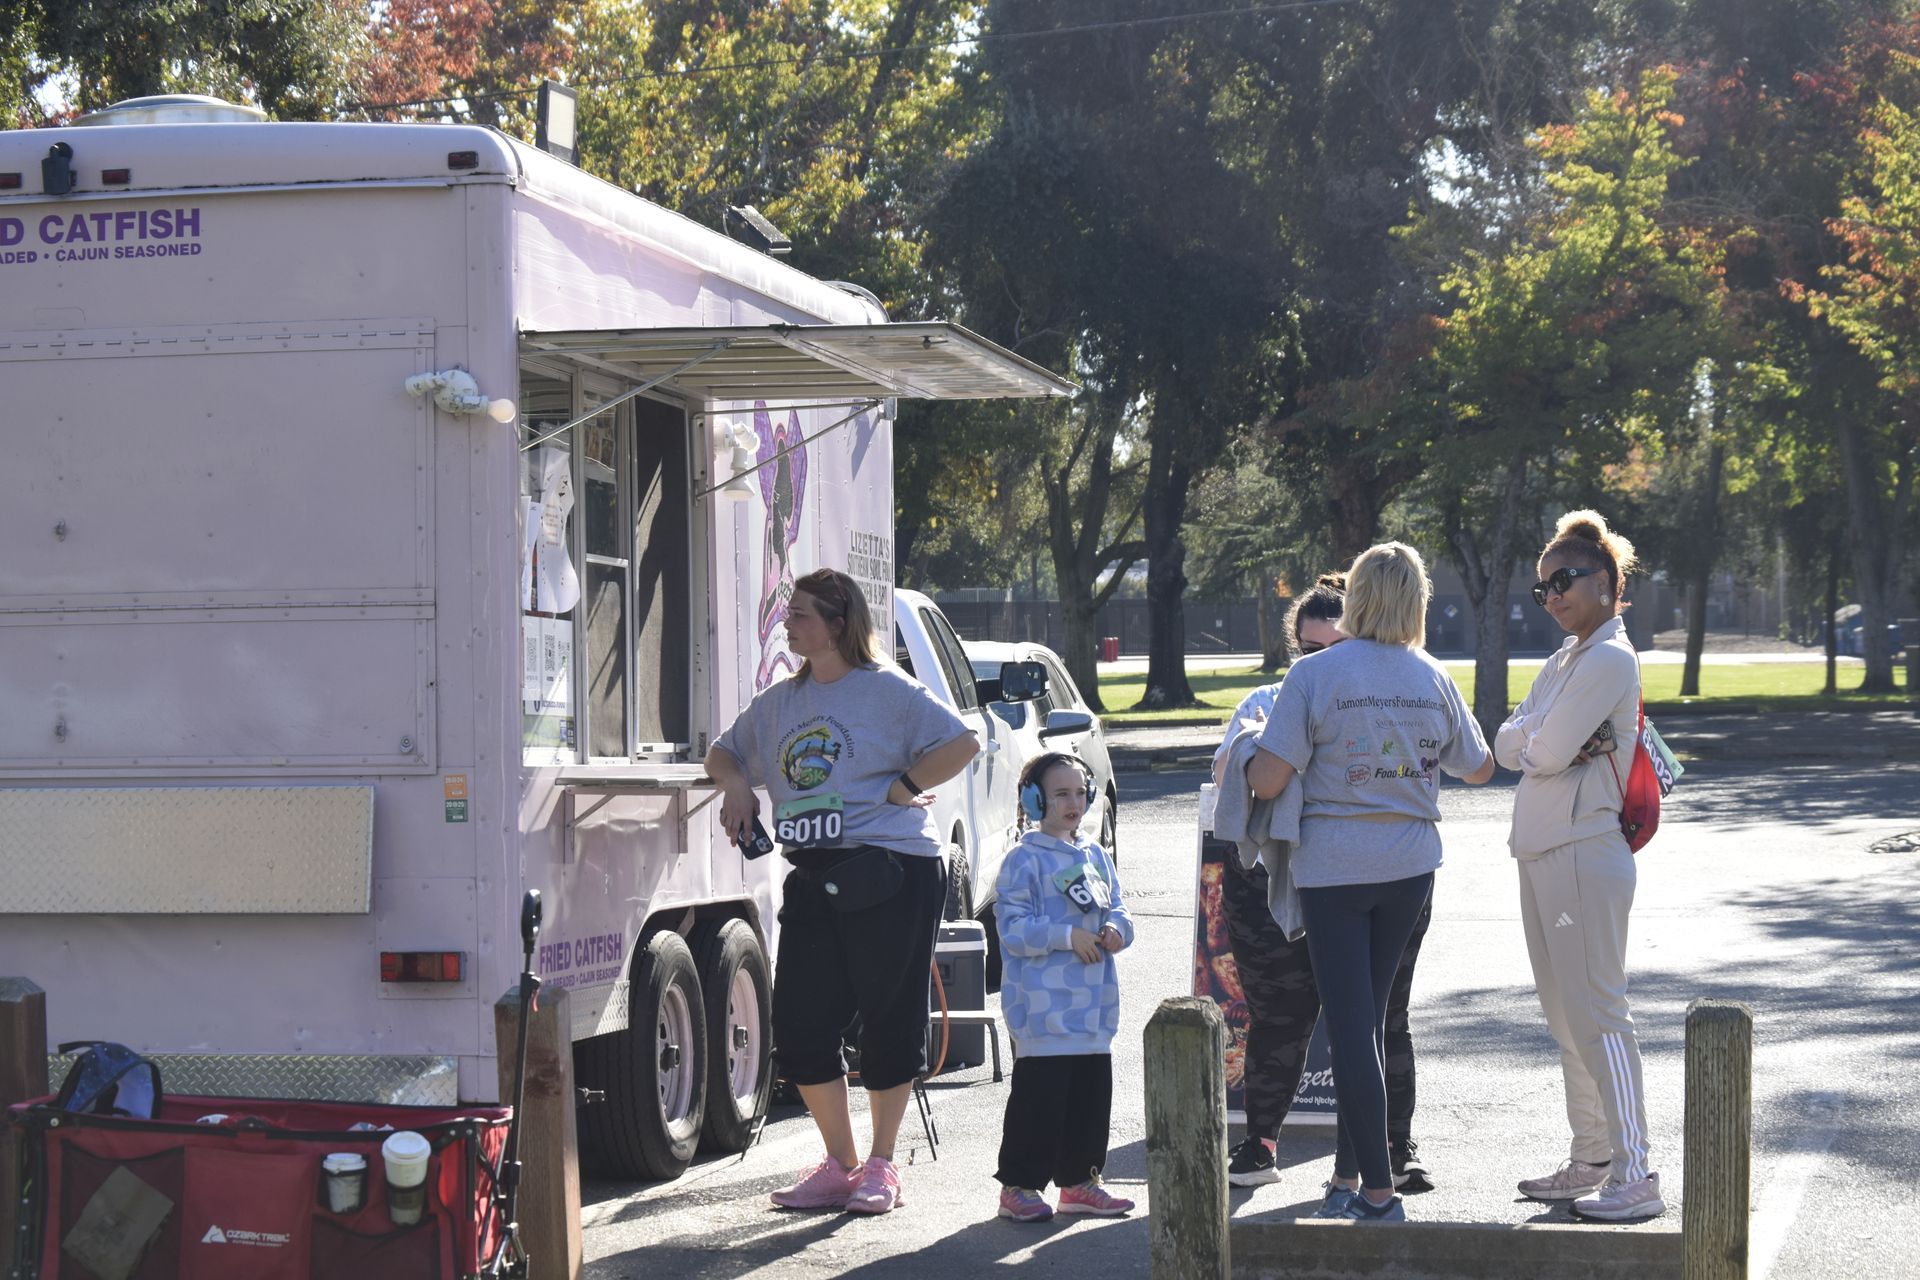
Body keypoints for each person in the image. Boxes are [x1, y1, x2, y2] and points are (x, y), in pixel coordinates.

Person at [707, 568, 980, 1215]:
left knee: (891, 1018)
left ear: (837, 624)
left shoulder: (886, 690)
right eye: (788, 615)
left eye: (800, 615)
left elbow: (962, 741)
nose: (788, 625)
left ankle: (883, 1167)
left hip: (891, 865)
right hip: (814, 872)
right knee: (799, 1026)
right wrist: (738, 785)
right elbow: (724, 753)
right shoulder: (779, 702)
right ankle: (841, 1163)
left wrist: (905, 789)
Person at [1248, 543, 1493, 1222]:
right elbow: (1478, 766)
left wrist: (1245, 755)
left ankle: (1377, 1192)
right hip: (1411, 867)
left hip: (1333, 869)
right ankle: (1349, 1177)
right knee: (1372, 1021)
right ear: (1417, 601)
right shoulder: (1432, 675)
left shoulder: (1317, 673)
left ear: (1354, 596)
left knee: (1354, 1025)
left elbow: (1268, 778)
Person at [1211, 574, 1435, 1193]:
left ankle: (1391, 1149)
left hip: (1365, 873)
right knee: (1278, 1014)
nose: (1322, 661)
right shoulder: (1266, 698)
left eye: (1336, 648)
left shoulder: (1395, 690)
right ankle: (1260, 1143)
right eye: (1310, 651)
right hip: (1268, 879)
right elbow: (1242, 775)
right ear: (1296, 651)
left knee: (1382, 1016)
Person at [1498, 511, 1665, 1221]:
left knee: (1598, 1013)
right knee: (1566, 1020)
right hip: (1542, 852)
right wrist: (1538, 734)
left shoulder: (1608, 659)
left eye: (1562, 581)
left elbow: (1538, 751)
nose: (1553, 597)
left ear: (1604, 581)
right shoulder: (1567, 660)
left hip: (1582, 854)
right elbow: (1508, 741)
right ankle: (1592, 1156)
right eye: (1542, 590)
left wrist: (1537, 735)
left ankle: (1636, 1173)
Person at [992, 752, 1137, 1222]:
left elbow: (1119, 908)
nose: (1074, 803)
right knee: (1041, 1101)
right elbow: (1012, 928)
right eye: (1061, 794)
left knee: (1090, 1100)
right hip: (1043, 1010)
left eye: (1080, 792)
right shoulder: (1022, 860)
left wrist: (1116, 928)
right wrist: (1065, 936)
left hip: (1093, 1010)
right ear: (1034, 801)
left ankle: (1079, 1181)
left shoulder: (1095, 855)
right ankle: (1019, 1185)